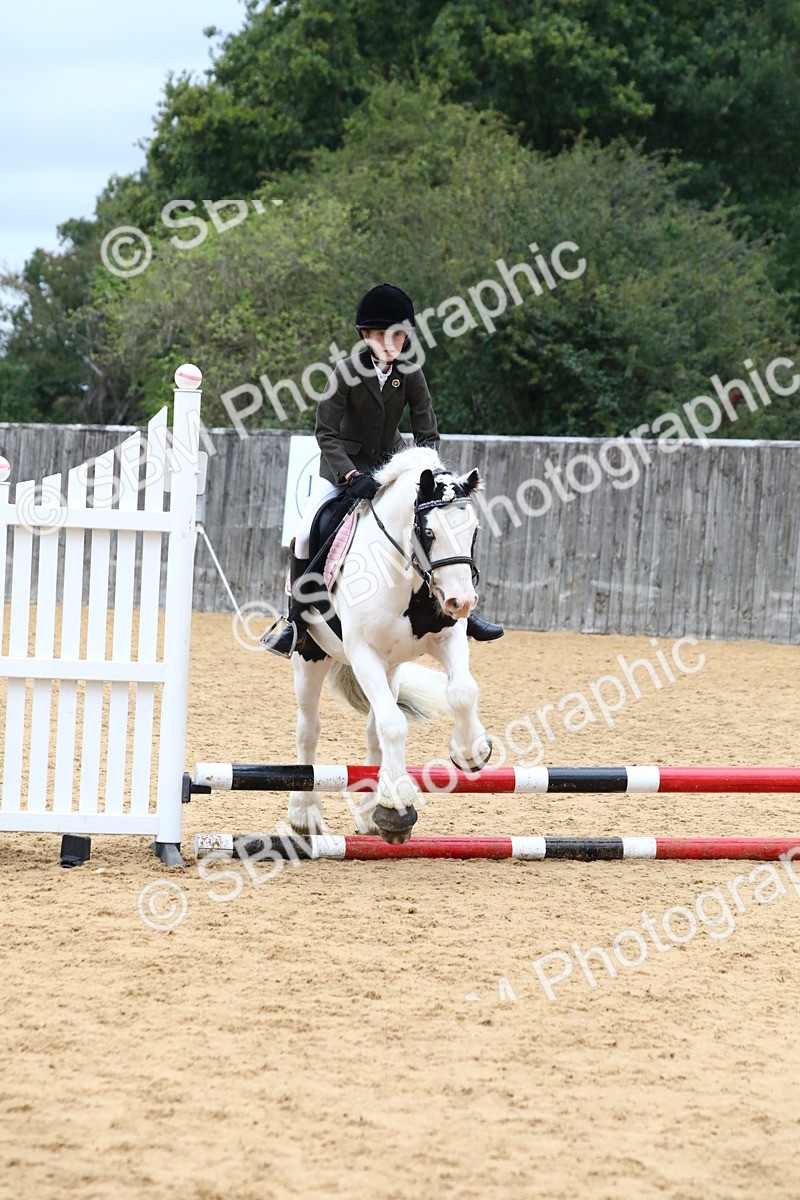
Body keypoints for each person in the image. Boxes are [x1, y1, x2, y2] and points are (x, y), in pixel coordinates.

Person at [263, 283, 504, 656]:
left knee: (440, 525)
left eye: (397, 335)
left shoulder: (410, 373)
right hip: (345, 472)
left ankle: (460, 616)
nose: (390, 343)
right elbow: (325, 432)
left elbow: (427, 433)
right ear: (365, 335)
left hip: (394, 469)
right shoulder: (346, 371)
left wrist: (426, 471)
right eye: (380, 335)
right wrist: (349, 475)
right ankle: (296, 623)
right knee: (306, 534)